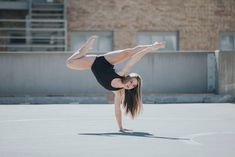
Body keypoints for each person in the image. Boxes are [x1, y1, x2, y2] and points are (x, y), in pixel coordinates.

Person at [66, 36, 165, 132]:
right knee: (129, 52)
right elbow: (133, 60)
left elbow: (117, 109)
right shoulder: (121, 74)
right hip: (105, 60)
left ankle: (82, 51)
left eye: (133, 86)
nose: (130, 85)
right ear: (128, 78)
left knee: (69, 63)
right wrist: (150, 49)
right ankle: (153, 44)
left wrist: (120, 127)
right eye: (131, 82)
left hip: (92, 65)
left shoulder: (118, 92)